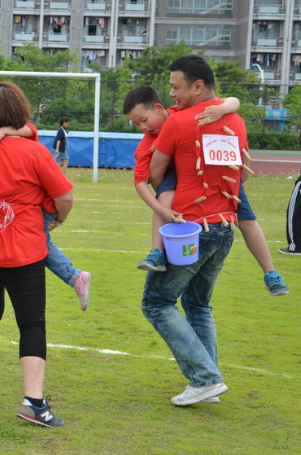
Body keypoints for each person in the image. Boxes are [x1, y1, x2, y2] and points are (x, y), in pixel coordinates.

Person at [0, 81, 73, 428]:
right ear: (20, 113)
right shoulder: (35, 152)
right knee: (32, 323)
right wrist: (59, 219)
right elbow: (64, 195)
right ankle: (33, 402)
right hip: (23, 249)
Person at [143, 54, 249, 406]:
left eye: (176, 87)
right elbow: (240, 171)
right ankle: (208, 381)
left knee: (157, 302)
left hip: (190, 229)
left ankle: (205, 377)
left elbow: (155, 173)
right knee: (198, 304)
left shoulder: (180, 122)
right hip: (225, 228)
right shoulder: (236, 120)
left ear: (198, 86)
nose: (172, 93)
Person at [124, 85, 288, 297]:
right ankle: (156, 253)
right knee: (164, 199)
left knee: (247, 220)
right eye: (136, 124)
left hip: (219, 177)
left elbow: (232, 99)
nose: (142, 127)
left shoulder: (179, 112)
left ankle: (271, 273)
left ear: (158, 108)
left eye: (143, 120)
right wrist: (161, 209)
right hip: (178, 176)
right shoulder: (148, 144)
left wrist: (222, 109)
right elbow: (140, 182)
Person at [0, 119, 91, 310]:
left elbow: (29, 128)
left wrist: (2, 130)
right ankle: (74, 277)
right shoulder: (9, 143)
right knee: (40, 240)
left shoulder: (21, 133)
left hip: (48, 204)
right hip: (46, 204)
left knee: (40, 242)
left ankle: (75, 276)